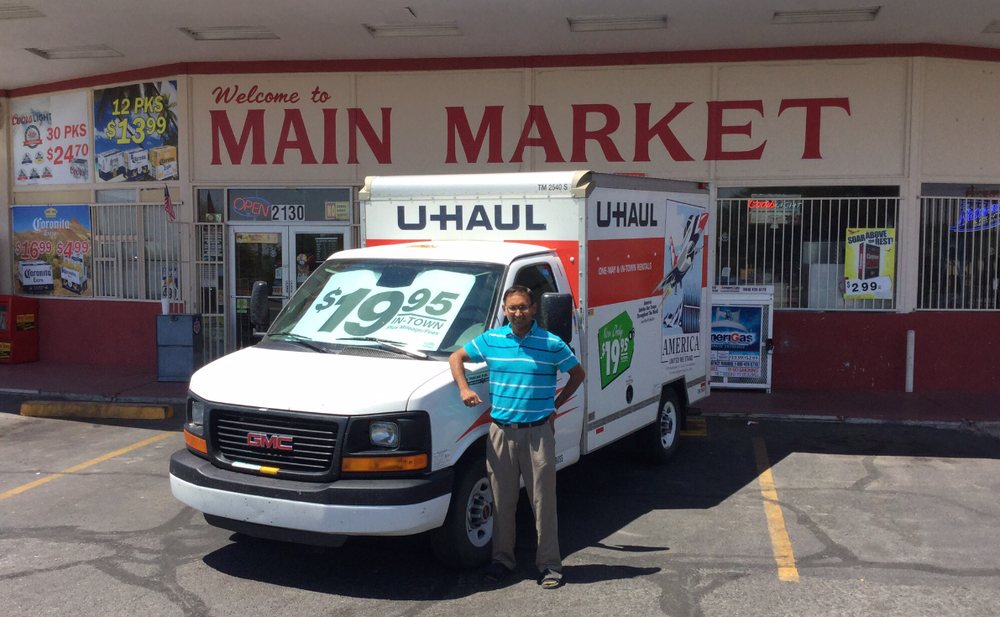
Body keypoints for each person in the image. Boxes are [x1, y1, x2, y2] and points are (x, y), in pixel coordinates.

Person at [449, 285, 586, 589]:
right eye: (512, 308)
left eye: (523, 307)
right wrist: (463, 388)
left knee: (543, 503)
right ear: (505, 310)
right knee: (501, 502)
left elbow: (578, 374)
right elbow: (456, 357)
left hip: (538, 433)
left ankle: (549, 566)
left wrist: (556, 405)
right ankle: (502, 561)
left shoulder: (551, 343)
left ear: (533, 308)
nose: (518, 313)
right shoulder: (492, 340)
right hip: (500, 433)